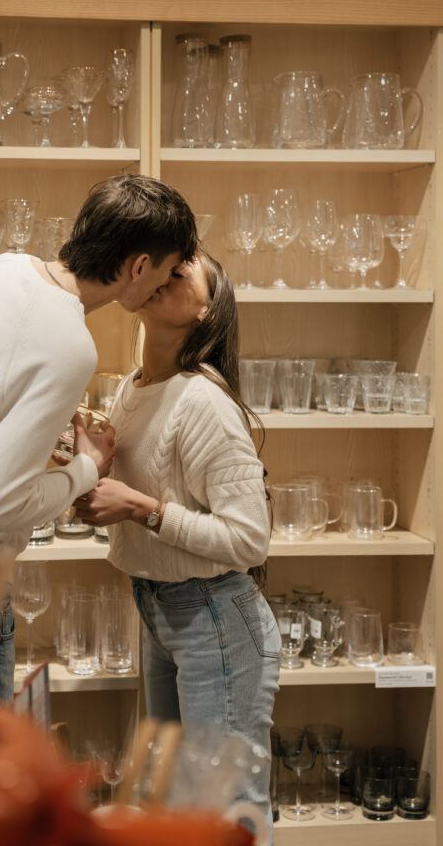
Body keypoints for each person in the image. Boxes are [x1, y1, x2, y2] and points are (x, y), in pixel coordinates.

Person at [0, 174, 198, 701]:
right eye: (165, 273)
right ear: (139, 265)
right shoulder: (70, 343)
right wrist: (86, 470)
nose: (164, 287)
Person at [74, 249, 280, 836]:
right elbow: (145, 498)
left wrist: (140, 508)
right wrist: (94, 472)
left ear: (208, 309)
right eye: (160, 265)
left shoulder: (204, 400)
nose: (164, 274)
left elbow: (249, 540)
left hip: (215, 618)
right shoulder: (139, 388)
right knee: (176, 808)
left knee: (224, 810)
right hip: (165, 610)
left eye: (182, 270)